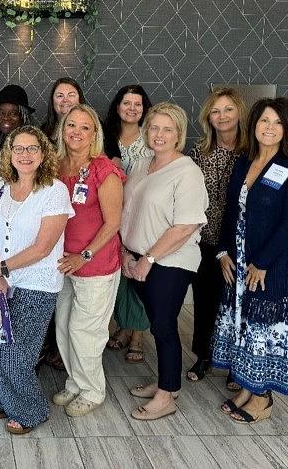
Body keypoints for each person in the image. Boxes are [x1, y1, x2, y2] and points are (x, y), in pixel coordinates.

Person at [212, 97, 288, 424]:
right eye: (264, 121)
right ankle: (246, 386)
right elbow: (230, 211)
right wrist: (223, 251)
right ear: (253, 125)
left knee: (261, 330)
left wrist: (263, 262)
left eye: (277, 123)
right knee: (242, 327)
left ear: (287, 129)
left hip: (267, 267)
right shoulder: (243, 162)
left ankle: (262, 399)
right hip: (237, 262)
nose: (269, 128)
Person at [0, 126, 74, 435]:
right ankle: (4, 398)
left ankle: (31, 410)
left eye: (32, 148)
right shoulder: (1, 185)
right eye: (18, 148)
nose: (25, 154)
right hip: (0, 279)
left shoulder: (54, 190)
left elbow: (43, 247)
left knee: (14, 353)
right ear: (8, 153)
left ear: (44, 153)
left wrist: (0, 269)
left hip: (35, 283)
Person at [120, 102, 208, 421]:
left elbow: (185, 225)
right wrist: (126, 253)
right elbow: (128, 210)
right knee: (157, 323)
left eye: (167, 129)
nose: (159, 135)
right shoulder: (143, 163)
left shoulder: (187, 172)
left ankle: (167, 394)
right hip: (137, 258)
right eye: (154, 128)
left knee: (164, 325)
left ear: (179, 135)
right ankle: (163, 382)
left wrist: (149, 258)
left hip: (169, 262)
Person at [53, 105, 125, 416]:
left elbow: (113, 223)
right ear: (62, 129)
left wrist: (84, 256)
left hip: (93, 264)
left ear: (94, 133)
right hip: (61, 264)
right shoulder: (55, 166)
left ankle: (93, 391)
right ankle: (75, 383)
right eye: (71, 125)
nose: (77, 132)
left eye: (85, 127)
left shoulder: (103, 170)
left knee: (86, 332)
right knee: (64, 328)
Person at [186, 88, 247, 388]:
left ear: (239, 114)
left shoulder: (252, 152)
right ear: (208, 117)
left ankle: (237, 362)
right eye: (215, 111)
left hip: (239, 241)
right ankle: (204, 355)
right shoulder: (199, 151)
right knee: (205, 300)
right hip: (204, 239)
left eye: (228, 110)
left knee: (237, 303)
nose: (221, 116)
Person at [102, 84, 154, 361]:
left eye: (138, 104)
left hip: (141, 213)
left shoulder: (150, 138)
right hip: (111, 213)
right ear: (118, 106)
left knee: (138, 272)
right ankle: (124, 325)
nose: (132, 108)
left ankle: (138, 335)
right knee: (119, 274)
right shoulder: (106, 136)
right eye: (127, 103)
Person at [0, 83, 35, 155]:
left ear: (23, 117)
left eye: (13, 113)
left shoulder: (25, 147)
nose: (6, 117)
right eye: (1, 113)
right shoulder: (7, 142)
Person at [41, 77, 85, 142]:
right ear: (52, 101)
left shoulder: (92, 125)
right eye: (60, 96)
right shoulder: (43, 130)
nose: (65, 100)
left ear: (80, 99)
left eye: (71, 95)